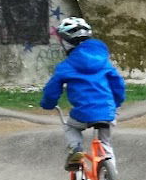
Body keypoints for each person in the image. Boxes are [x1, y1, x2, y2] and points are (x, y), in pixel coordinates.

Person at [40, 17, 126, 169]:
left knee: (70, 126)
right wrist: (117, 102)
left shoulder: (66, 65)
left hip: (82, 113)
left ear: (65, 42)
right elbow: (117, 83)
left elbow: (52, 89)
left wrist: (48, 103)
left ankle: (75, 148)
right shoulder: (104, 61)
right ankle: (112, 178)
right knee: (105, 144)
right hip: (107, 111)